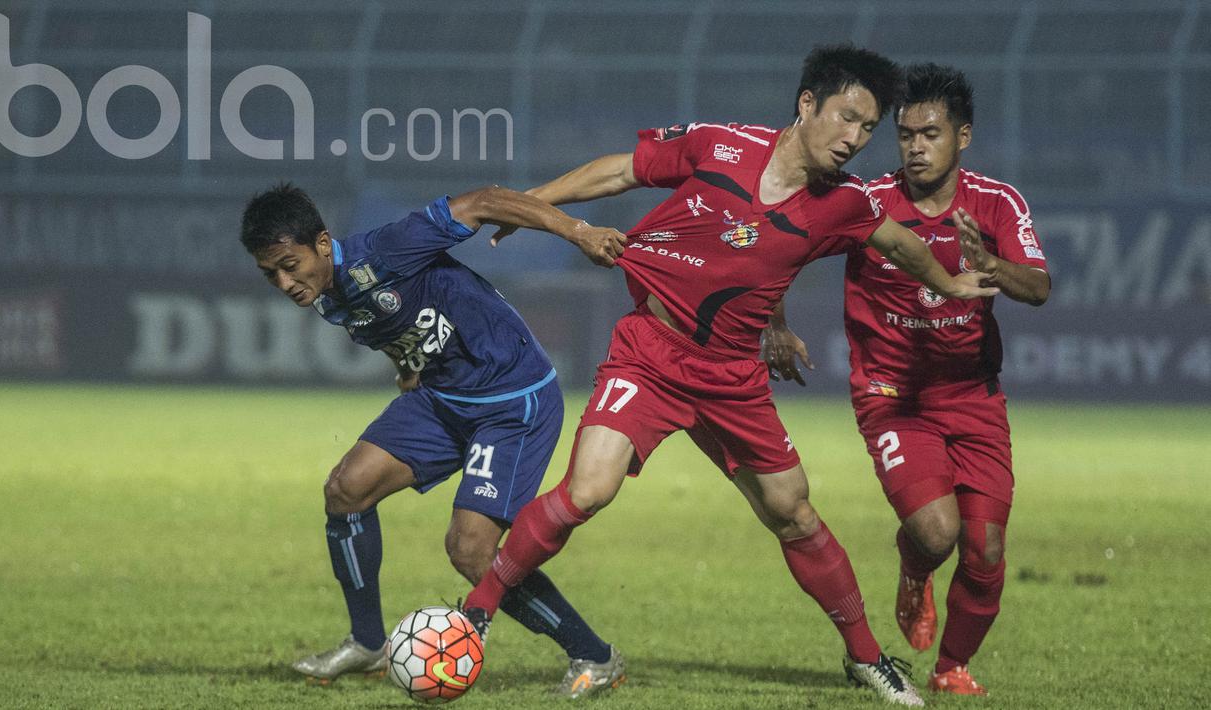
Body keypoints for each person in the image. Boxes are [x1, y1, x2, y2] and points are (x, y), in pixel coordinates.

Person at [464, 45, 999, 707]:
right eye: (845, 118)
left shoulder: (843, 202)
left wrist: (947, 282)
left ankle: (865, 659)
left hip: (730, 379)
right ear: (806, 104)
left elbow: (896, 242)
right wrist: (529, 206)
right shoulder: (720, 146)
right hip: (651, 353)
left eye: (867, 129)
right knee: (586, 490)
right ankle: (473, 617)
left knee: (792, 513)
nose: (854, 139)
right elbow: (620, 173)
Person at [239, 183, 631, 697]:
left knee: (470, 551)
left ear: (321, 243)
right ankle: (367, 644)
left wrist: (579, 232)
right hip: (443, 397)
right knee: (346, 489)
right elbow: (393, 322)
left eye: (291, 264)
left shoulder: (386, 249)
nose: (286, 282)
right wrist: (406, 366)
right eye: (272, 274)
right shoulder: (329, 294)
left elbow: (485, 200)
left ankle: (594, 656)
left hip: (511, 401)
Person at [763, 63, 1050, 695]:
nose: (916, 147)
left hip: (973, 394)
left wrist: (992, 265)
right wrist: (775, 324)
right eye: (906, 135)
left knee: (987, 549)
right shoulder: (865, 203)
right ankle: (915, 568)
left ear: (963, 137)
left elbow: (1040, 288)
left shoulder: (997, 204)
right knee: (936, 532)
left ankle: (951, 669)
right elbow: (776, 247)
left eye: (931, 134)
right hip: (891, 394)